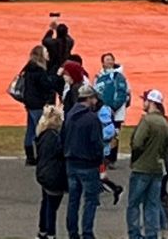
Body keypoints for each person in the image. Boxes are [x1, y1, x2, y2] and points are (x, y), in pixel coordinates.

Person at [126, 89, 168, 239]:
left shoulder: (147, 121)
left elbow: (137, 143)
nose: (143, 103)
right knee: (152, 204)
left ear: (151, 102)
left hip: (142, 168)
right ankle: (152, 234)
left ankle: (134, 234)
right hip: (157, 168)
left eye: (145, 100)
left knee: (133, 204)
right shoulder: (165, 122)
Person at [62, 83, 104, 239]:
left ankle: (72, 233)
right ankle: (87, 233)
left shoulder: (69, 116)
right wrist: (100, 162)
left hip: (71, 163)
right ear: (89, 98)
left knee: (73, 200)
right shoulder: (92, 119)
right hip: (88, 165)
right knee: (91, 200)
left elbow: (63, 138)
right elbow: (97, 144)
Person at [18, 44, 59, 164]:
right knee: (41, 129)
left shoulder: (28, 69)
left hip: (30, 103)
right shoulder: (39, 71)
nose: (48, 54)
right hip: (38, 103)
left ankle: (30, 156)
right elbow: (46, 86)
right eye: (45, 52)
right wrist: (55, 78)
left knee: (31, 130)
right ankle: (42, 155)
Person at [34, 103, 66, 239]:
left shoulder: (42, 135)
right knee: (52, 206)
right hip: (54, 175)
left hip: (43, 173)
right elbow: (61, 153)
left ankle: (42, 231)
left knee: (46, 203)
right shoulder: (54, 137)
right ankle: (51, 234)